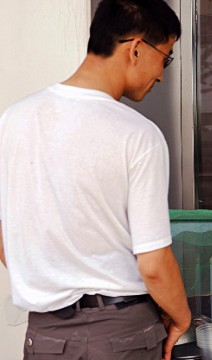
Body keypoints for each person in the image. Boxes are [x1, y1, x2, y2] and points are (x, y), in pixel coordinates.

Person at [0, 1, 191, 359]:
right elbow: (153, 264)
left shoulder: (13, 121)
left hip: (44, 337)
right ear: (136, 48)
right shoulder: (138, 134)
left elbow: (5, 235)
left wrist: (55, 277)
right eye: (165, 58)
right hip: (122, 336)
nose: (162, 75)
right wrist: (181, 317)